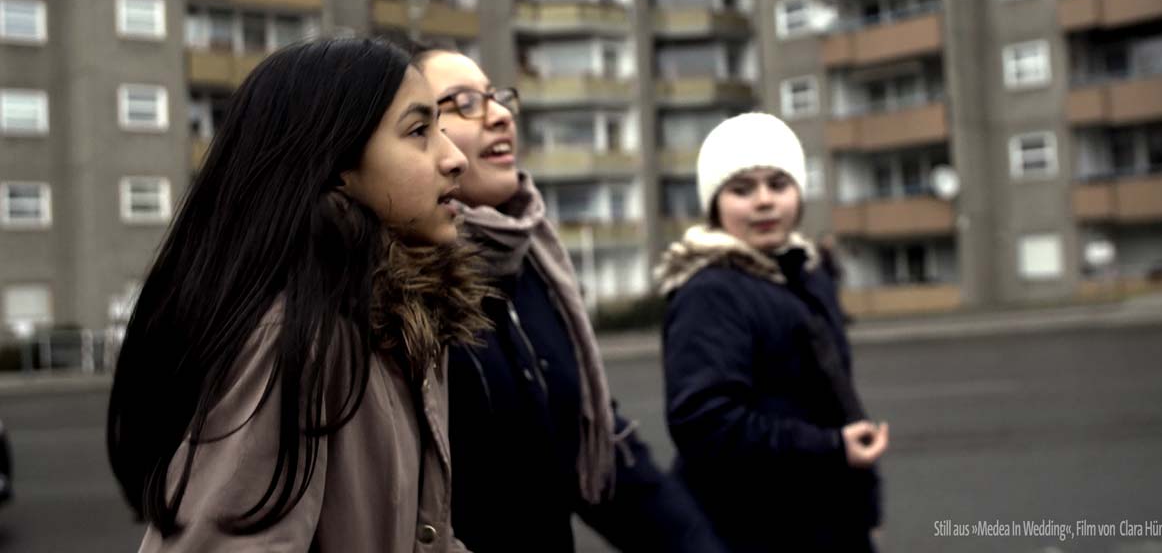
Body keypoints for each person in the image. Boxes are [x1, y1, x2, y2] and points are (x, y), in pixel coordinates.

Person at [107, 38, 489, 552]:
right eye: (419, 131)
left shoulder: (394, 318)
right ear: (335, 163)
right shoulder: (298, 333)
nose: (454, 158)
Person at [415, 47, 726, 553]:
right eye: (465, 102)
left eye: (497, 98)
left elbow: (593, 441)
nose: (499, 114)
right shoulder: (398, 291)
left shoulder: (533, 263)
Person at [655, 112, 888, 552]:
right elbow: (706, 426)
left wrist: (865, 510)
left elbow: (840, 397)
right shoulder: (710, 292)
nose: (764, 201)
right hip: (749, 531)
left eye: (777, 184)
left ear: (798, 193)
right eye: (742, 189)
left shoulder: (805, 274)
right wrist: (830, 447)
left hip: (826, 523)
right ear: (715, 204)